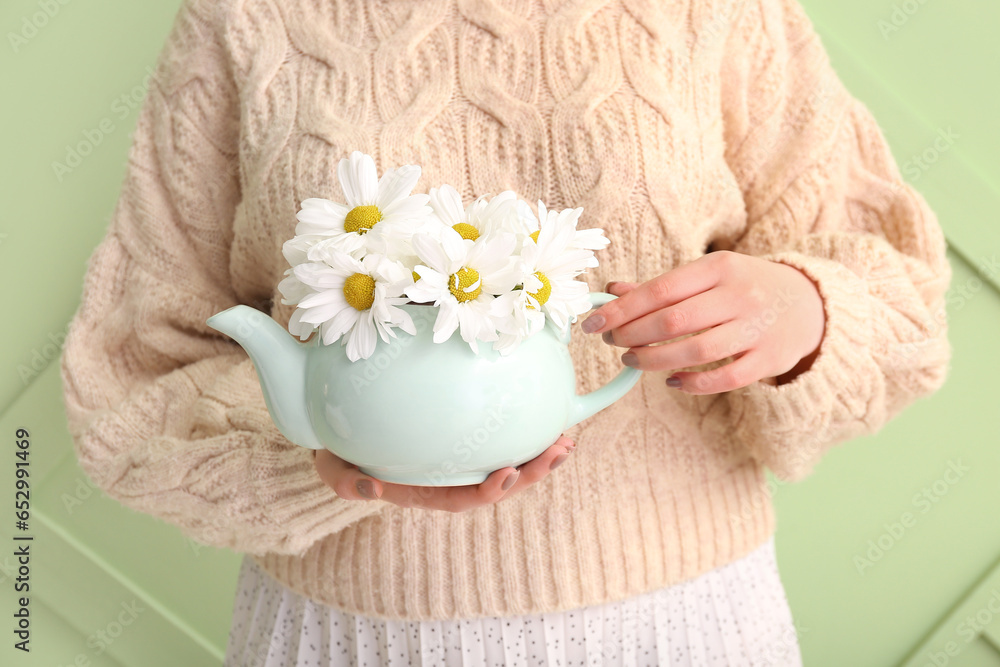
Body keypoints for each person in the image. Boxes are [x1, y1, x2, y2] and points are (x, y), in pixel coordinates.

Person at [59, 0, 952, 664]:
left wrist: (806, 308)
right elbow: (137, 370)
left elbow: (900, 292)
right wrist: (319, 449)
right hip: (348, 638)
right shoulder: (245, 18)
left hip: (692, 625)